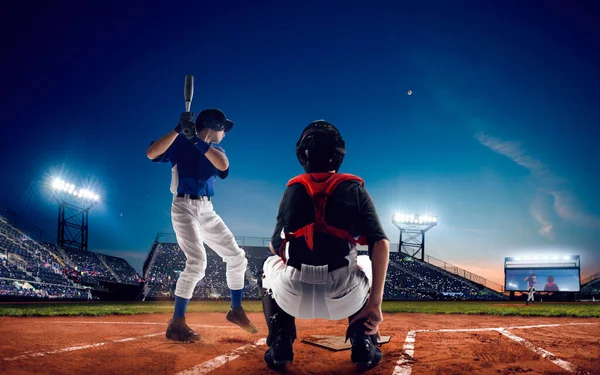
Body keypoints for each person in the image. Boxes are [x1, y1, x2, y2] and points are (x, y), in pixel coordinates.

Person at [258, 120, 390, 369]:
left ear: (302, 155)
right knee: (366, 260)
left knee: (267, 264)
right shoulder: (354, 188)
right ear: (338, 154)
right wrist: (375, 304)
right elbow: (380, 244)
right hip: (345, 295)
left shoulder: (292, 189)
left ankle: (280, 341)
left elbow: (276, 247)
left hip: (292, 294)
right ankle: (364, 342)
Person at [146, 109, 257, 343]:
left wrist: (195, 139)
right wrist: (178, 130)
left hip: (207, 210)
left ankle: (235, 310)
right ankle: (176, 323)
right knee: (197, 263)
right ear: (214, 126)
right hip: (183, 207)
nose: (224, 133)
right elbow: (151, 153)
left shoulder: (215, 150)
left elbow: (223, 164)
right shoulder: (179, 144)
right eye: (223, 128)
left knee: (237, 257)